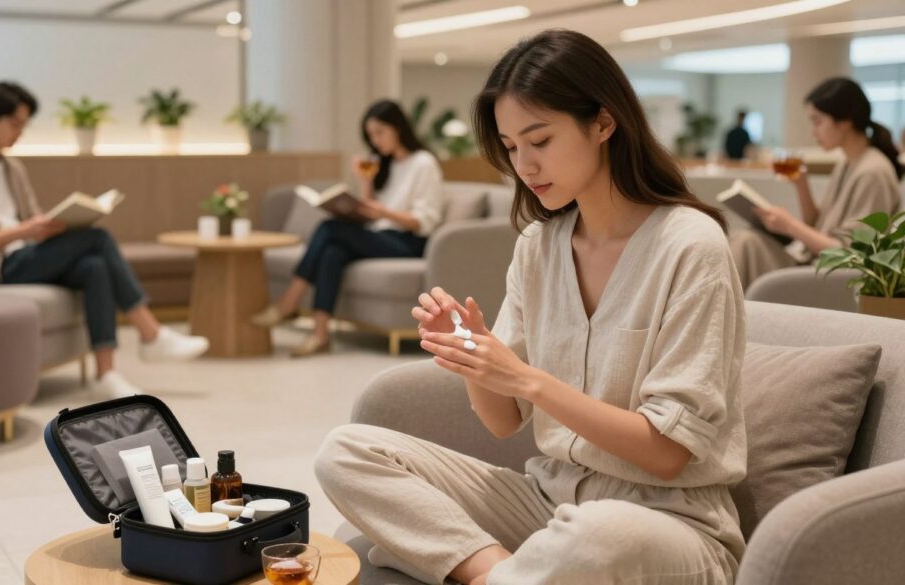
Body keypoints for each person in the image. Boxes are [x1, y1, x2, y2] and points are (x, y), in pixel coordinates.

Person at [315, 29, 747, 585]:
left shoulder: (692, 246)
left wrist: (526, 379)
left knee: (599, 536)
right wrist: (473, 353)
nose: (524, 164)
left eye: (539, 140)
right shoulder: (539, 246)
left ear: (603, 123)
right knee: (346, 451)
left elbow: (667, 455)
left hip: (664, 521)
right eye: (512, 147)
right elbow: (501, 422)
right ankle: (499, 574)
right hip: (548, 503)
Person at [0, 82, 209, 398]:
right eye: (15, 124)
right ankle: (150, 333)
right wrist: (25, 231)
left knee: (93, 266)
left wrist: (55, 224)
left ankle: (106, 374)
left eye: (24, 125)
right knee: (98, 238)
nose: (19, 133)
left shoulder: (11, 168)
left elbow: (31, 217)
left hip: (27, 254)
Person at [251, 99, 444, 357]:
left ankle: (289, 301)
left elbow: (425, 221)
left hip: (409, 242)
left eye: (379, 133)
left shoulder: (424, 163)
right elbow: (372, 212)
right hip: (381, 234)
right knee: (332, 252)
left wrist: (382, 211)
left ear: (398, 128)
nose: (375, 141)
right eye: (370, 135)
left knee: (329, 229)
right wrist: (364, 183)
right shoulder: (384, 163)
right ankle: (320, 335)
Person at [730, 77, 903, 289]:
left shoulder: (873, 172)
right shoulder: (846, 163)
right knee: (745, 239)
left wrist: (790, 226)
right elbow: (817, 225)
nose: (814, 131)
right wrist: (802, 186)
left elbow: (853, 255)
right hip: (816, 263)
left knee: (746, 243)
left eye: (818, 121)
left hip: (833, 277)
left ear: (845, 121)